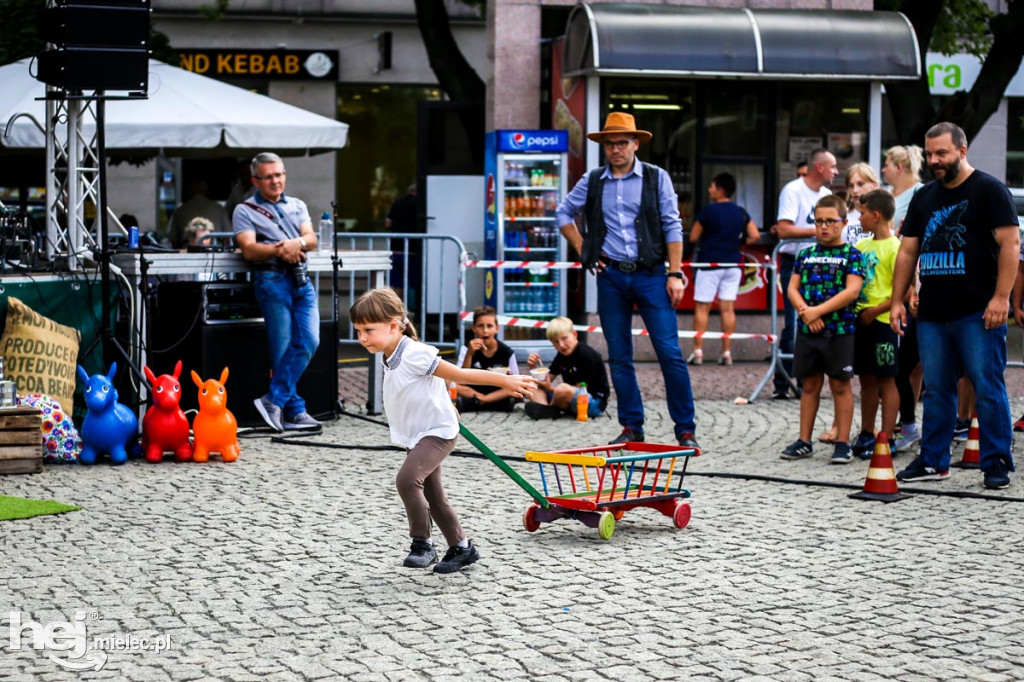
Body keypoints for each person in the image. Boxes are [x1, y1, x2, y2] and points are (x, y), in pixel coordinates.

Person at [350, 288, 535, 573]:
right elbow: (423, 389)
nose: (361, 338)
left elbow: (459, 375)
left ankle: (422, 543)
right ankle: (462, 548)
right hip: (419, 433)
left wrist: (505, 382)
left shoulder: (414, 353)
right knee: (434, 497)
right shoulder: (391, 352)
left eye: (368, 330)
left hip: (436, 433)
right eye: (358, 330)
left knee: (407, 480)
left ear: (393, 325)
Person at [554, 112, 698, 450]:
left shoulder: (655, 177)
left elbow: (672, 225)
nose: (616, 148)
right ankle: (632, 426)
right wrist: (584, 250)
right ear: (603, 146)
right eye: (610, 143)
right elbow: (562, 213)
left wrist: (675, 274)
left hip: (651, 274)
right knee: (619, 355)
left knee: (669, 352)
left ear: (635, 143)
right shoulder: (593, 181)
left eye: (622, 142)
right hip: (612, 276)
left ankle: (685, 430)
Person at [890, 122, 1019, 490]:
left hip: (977, 310)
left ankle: (996, 463)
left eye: (942, 153)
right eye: (930, 154)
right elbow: (908, 249)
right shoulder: (925, 196)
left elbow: (1011, 245)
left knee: (987, 385)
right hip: (931, 311)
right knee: (937, 388)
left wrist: (1001, 298)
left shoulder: (989, 190)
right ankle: (933, 460)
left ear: (962, 151)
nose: (935, 160)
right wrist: (898, 299)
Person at [233, 152, 322, 433]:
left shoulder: (297, 205)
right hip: (271, 280)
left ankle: (273, 400)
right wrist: (281, 249)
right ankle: (294, 411)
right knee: (282, 348)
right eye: (269, 176)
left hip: (301, 280)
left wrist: (295, 243)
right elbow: (248, 249)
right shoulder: (244, 210)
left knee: (310, 340)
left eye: (279, 174)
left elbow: (311, 238)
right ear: (255, 180)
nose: (276, 181)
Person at [779, 195, 865, 463]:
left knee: (840, 385)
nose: (824, 227)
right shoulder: (806, 254)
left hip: (839, 331)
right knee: (809, 385)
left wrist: (818, 311)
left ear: (843, 222)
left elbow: (852, 291)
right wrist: (806, 312)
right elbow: (792, 288)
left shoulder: (852, 255)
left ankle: (843, 443)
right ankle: (804, 440)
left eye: (830, 221)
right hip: (808, 330)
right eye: (818, 222)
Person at [773, 148, 839, 400]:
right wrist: (820, 231)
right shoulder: (793, 190)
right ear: (819, 167)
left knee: (815, 321)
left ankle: (805, 381)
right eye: (833, 167)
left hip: (822, 263)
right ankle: (785, 381)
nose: (836, 171)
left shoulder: (826, 194)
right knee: (794, 321)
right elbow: (784, 229)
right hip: (795, 262)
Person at [687, 172, 759, 366]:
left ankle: (698, 351)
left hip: (709, 264)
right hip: (733, 264)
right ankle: (726, 352)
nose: (709, 190)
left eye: (712, 186)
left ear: (720, 190)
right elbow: (755, 235)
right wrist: (739, 241)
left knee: (703, 307)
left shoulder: (708, 212)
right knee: (728, 309)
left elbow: (693, 237)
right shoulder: (740, 212)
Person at [849, 189, 901, 459]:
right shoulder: (860, 247)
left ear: (876, 216)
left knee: (886, 378)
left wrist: (875, 310)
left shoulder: (897, 248)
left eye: (862, 213)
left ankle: (887, 434)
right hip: (861, 322)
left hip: (883, 322)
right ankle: (867, 431)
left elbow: (901, 291)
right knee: (866, 378)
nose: (859, 218)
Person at [884, 145, 926, 452]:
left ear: (900, 166)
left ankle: (950, 425)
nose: (883, 169)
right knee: (903, 363)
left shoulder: (921, 195)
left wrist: (913, 287)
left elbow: (914, 248)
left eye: (887, 163)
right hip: (897, 285)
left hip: (920, 286)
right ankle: (907, 423)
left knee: (922, 365)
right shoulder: (888, 195)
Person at [523, 316, 610, 420]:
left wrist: (551, 388)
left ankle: (550, 409)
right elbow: (547, 379)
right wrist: (534, 369)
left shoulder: (587, 355)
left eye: (564, 338)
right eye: (556, 342)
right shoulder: (562, 355)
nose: (561, 345)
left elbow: (582, 389)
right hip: (568, 397)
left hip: (593, 402)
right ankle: (548, 410)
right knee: (531, 385)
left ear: (574, 335)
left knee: (562, 388)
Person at [455, 305, 520, 412]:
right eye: (480, 326)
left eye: (489, 326)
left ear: (497, 328)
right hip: (474, 390)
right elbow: (460, 380)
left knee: (518, 387)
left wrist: (509, 377)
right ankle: (490, 402)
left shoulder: (506, 352)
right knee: (451, 384)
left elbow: (516, 380)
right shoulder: (466, 349)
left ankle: (481, 401)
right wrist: (470, 354)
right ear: (474, 328)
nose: (485, 331)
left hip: (497, 390)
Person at [167, 179, 231, 249]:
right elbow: (228, 238)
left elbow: (174, 241)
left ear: (189, 192)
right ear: (206, 191)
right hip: (216, 249)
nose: (203, 242)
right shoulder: (219, 208)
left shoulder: (180, 210)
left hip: (187, 251)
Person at [882, 144, 925, 231]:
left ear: (898, 167)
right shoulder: (884, 192)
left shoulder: (922, 192)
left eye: (886, 165)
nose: (883, 170)